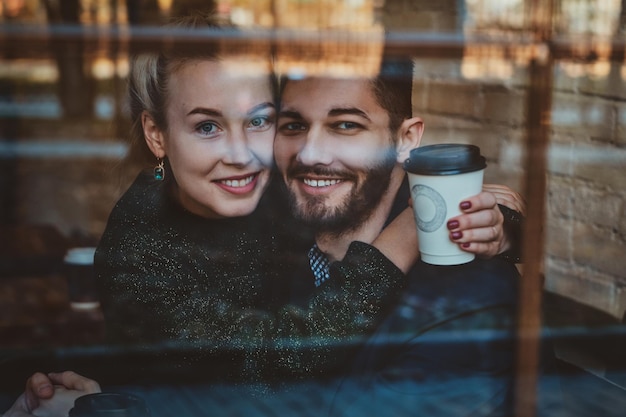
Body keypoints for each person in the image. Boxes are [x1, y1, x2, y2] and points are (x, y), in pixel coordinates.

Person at [5, 15, 526, 417]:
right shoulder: (150, 239)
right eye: (206, 126)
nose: (243, 153)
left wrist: (499, 224)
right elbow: (257, 371)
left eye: (259, 122)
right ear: (156, 134)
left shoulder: (273, 201)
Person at [271, 59, 524, 416]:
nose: (310, 153)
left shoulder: (465, 302)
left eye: (345, 125)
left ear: (406, 140)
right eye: (294, 125)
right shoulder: (281, 251)